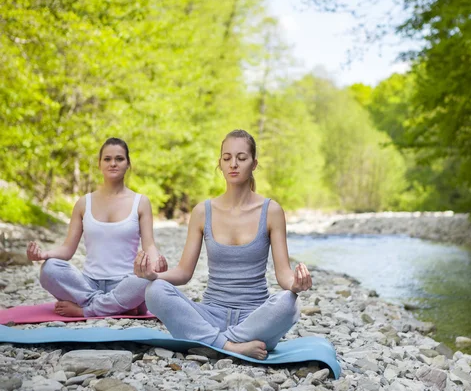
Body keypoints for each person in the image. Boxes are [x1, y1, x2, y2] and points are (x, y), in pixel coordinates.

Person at [135, 129, 312, 359]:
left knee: (290, 303)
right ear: (220, 163)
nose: (233, 164)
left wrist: (296, 284)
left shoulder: (272, 211)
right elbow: (184, 272)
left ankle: (210, 342)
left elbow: (283, 274)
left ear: (254, 163)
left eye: (241, 158)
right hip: (210, 313)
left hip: (254, 317)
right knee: (154, 291)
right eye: (227, 158)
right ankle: (231, 347)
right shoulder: (202, 211)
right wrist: (153, 275)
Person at [26, 137, 167, 317]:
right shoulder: (84, 203)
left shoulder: (141, 202)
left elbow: (149, 245)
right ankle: (116, 306)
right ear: (99, 164)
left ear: (128, 164)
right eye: (107, 159)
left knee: (145, 282)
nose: (113, 163)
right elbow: (68, 249)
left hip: (125, 282)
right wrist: (44, 255)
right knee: (49, 269)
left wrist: (154, 266)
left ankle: (86, 309)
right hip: (88, 283)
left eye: (119, 159)